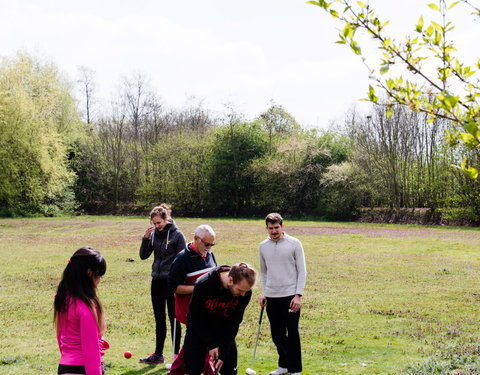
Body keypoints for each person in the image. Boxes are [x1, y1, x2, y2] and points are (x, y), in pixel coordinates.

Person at [184, 263, 257, 375]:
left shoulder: (245, 293)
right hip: (198, 331)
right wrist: (211, 344)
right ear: (230, 280)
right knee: (192, 370)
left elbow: (234, 323)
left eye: (246, 291)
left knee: (229, 370)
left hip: (224, 332)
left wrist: (222, 353)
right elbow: (195, 318)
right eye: (240, 290)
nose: (243, 295)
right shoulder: (203, 284)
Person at [259, 213, 307, 375]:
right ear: (266, 228)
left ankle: (295, 369)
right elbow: (264, 273)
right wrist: (265, 293)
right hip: (272, 297)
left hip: (290, 296)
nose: (274, 231)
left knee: (292, 333)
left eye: (276, 227)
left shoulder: (294, 244)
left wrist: (298, 295)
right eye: (270, 228)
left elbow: (302, 271)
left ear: (282, 226)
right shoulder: (262, 246)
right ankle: (284, 365)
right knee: (277, 334)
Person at [167, 224, 218, 375]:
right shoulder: (182, 258)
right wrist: (199, 288)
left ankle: (175, 372)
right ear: (196, 239)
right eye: (207, 243)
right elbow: (172, 287)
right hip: (190, 310)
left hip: (208, 309)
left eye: (212, 244)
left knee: (195, 343)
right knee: (200, 342)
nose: (209, 247)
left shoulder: (209, 254)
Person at [139, 204, 186, 364]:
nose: (157, 226)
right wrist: (145, 239)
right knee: (159, 319)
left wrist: (178, 281)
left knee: (174, 318)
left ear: (167, 219)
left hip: (171, 283)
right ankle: (158, 355)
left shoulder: (177, 235)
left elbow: (183, 260)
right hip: (156, 281)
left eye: (159, 223)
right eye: (154, 224)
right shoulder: (154, 235)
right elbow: (144, 256)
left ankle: (176, 357)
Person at [54, 246, 109, 375]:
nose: (100, 279)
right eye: (99, 274)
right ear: (90, 273)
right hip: (83, 368)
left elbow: (60, 335)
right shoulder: (86, 306)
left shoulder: (63, 298)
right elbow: (90, 348)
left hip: (65, 365)